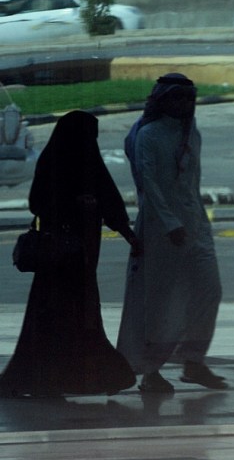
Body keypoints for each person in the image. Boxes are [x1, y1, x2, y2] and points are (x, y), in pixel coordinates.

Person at [0, 110, 138, 398]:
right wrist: (75, 204)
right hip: (63, 257)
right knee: (65, 318)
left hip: (79, 258)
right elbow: (38, 201)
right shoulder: (56, 163)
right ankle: (54, 381)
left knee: (71, 318)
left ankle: (65, 380)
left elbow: (110, 200)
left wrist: (127, 233)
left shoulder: (86, 164)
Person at [117, 73, 227, 393]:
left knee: (210, 289)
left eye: (190, 98)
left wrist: (196, 223)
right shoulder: (147, 135)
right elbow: (148, 185)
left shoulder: (192, 134)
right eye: (178, 98)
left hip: (195, 225)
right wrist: (170, 224)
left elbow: (191, 184)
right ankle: (150, 371)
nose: (186, 105)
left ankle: (193, 361)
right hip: (160, 229)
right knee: (160, 301)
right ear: (162, 100)